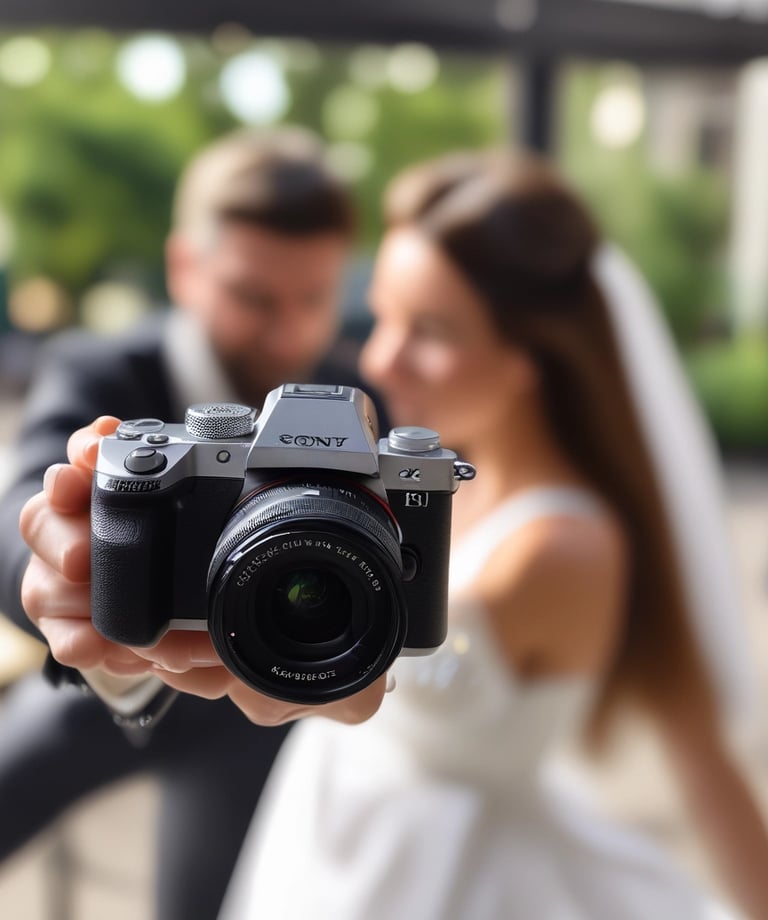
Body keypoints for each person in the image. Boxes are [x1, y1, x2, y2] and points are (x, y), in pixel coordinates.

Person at [206, 149, 768, 919]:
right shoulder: (430, 482)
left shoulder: (560, 548)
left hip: (445, 882)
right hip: (332, 844)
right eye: (382, 315)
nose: (381, 356)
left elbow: (702, 761)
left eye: (429, 329)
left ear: (529, 356)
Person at [0, 125, 372, 919]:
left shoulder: (362, 402)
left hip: (274, 708)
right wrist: (58, 565)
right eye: (253, 298)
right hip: (97, 693)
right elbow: (20, 510)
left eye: (314, 300)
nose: (288, 332)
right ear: (185, 268)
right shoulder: (100, 371)